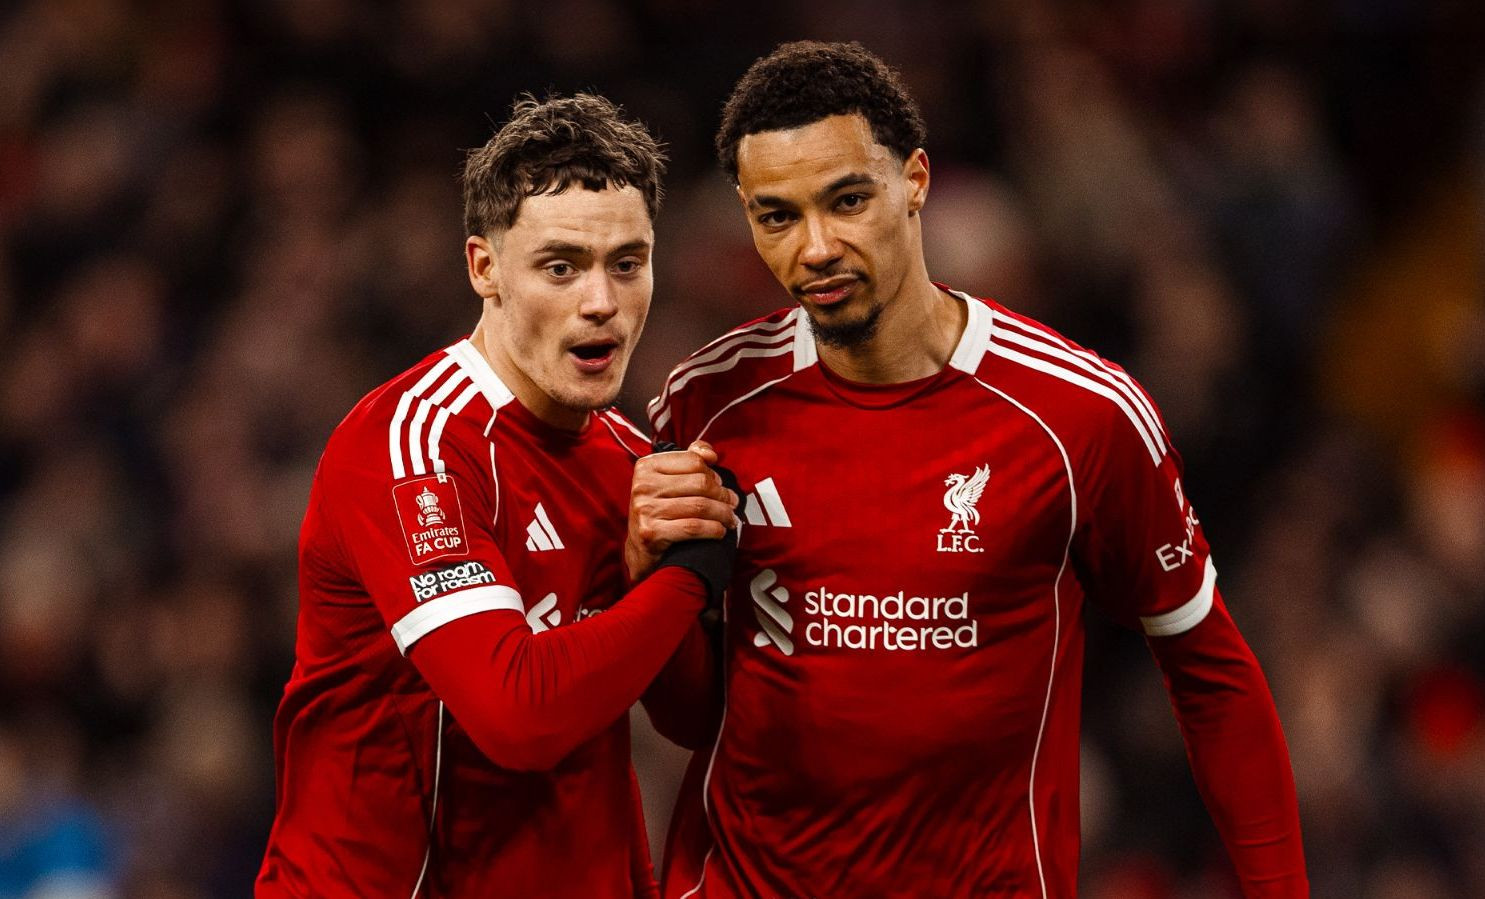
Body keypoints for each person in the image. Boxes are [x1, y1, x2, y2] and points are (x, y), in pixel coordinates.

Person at [649, 42, 1308, 897]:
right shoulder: (703, 401)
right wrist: (647, 578)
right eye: (777, 216)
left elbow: (1210, 673)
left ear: (915, 181)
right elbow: (687, 709)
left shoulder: (1079, 416)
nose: (814, 247)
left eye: (847, 200)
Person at [256, 93, 738, 897]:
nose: (601, 301)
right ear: (484, 268)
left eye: (627, 263)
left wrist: (662, 566)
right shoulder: (412, 446)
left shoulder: (633, 462)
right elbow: (518, 716)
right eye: (561, 266)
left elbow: (688, 717)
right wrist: (690, 577)